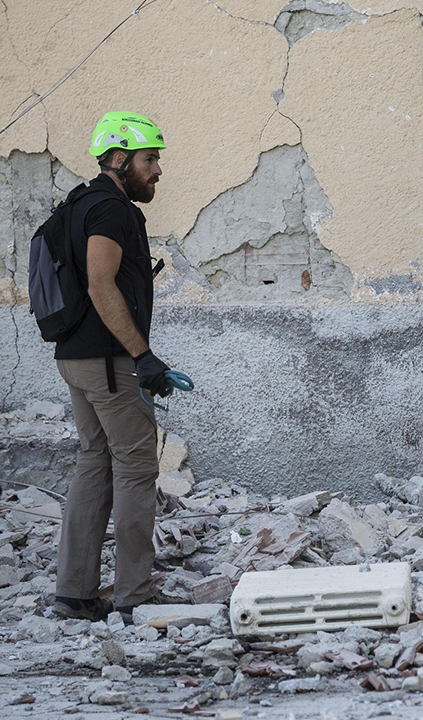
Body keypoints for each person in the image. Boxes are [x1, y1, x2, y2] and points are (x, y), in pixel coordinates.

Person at [51, 112, 173, 623]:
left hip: (78, 358)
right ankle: (135, 595)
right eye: (149, 160)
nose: (158, 171)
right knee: (136, 468)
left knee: (94, 463)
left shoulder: (78, 203)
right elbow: (102, 285)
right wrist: (142, 357)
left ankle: (76, 592)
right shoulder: (110, 211)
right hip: (109, 363)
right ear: (120, 160)